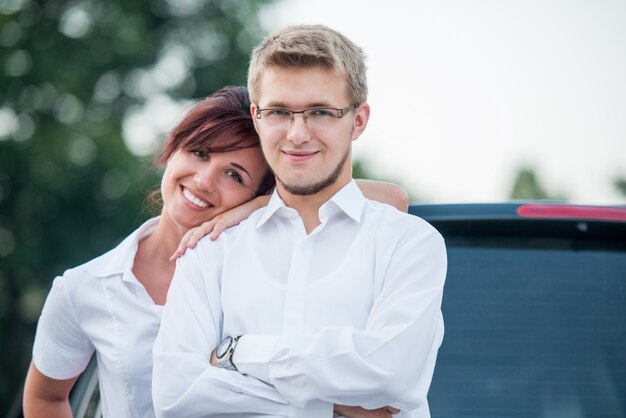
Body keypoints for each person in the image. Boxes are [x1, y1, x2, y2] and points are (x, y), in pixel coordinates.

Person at [22, 85, 408, 418]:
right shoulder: (86, 287)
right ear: (173, 149)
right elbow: (46, 396)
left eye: (235, 175)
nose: (204, 181)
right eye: (199, 153)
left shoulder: (272, 269)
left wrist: (256, 207)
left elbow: (394, 199)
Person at [152, 25, 447, 418]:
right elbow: (176, 397)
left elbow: (388, 377)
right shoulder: (209, 250)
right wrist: (332, 407)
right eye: (279, 112)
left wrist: (237, 352)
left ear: (358, 120)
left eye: (320, 112)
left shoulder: (410, 243)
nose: (297, 134)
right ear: (257, 117)